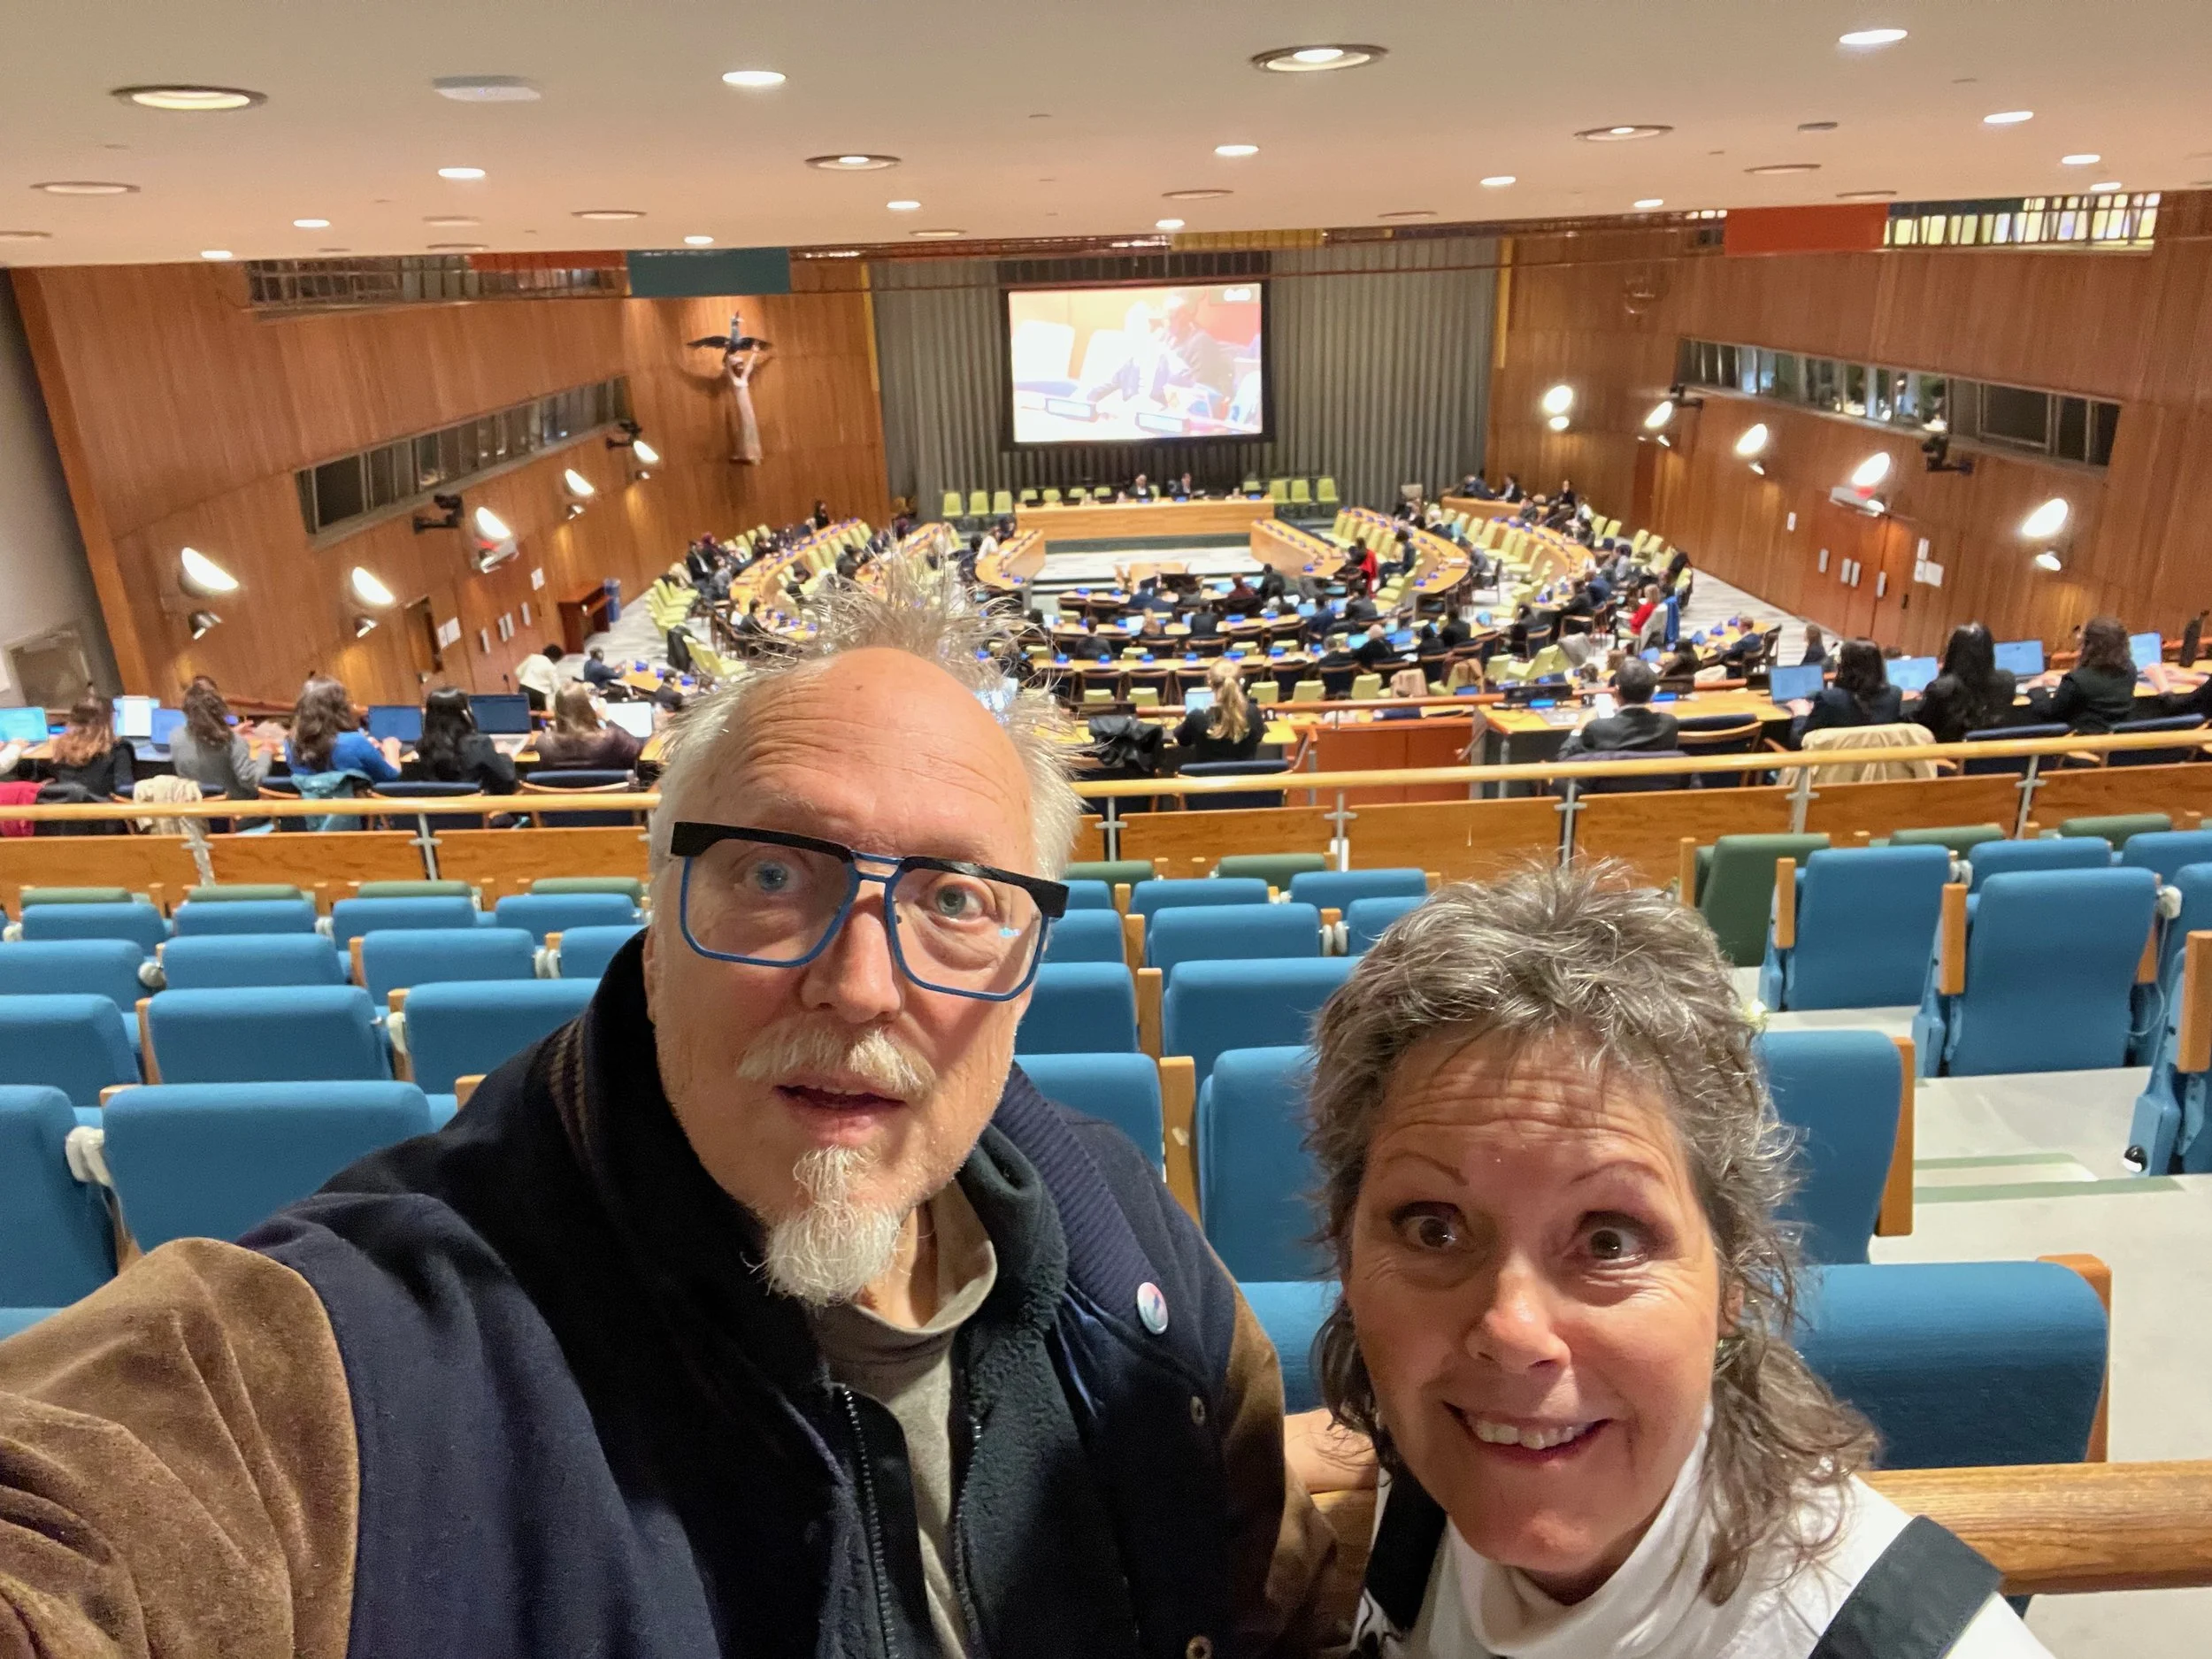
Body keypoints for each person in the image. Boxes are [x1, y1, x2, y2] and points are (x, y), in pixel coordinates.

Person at [0, 557, 1335, 1655]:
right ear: (658, 913)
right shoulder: (325, 1364)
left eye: (956, 897)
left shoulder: (1132, 1251)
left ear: (1026, 969)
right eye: (771, 875)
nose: (861, 982)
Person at [1304, 866, 2048, 1657]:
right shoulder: (1437, 1447)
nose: (1511, 1332)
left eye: (1608, 1240)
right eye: (1434, 1230)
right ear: (1347, 1257)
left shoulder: (1897, 1641)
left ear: (1733, 1277)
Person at [1909, 623, 2020, 745]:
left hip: (1947, 755)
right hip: (1991, 753)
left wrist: (1905, 701)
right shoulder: (2007, 680)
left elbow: (1919, 726)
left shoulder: (1942, 687)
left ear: (1953, 651)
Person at [167, 675, 271, 801]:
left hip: (195, 806)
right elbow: (250, 780)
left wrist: (230, 732)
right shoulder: (234, 741)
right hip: (235, 808)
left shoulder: (175, 736)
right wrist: (266, 751)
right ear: (220, 709)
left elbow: (202, 737)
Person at [2032, 615, 2139, 733]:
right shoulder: (2130, 669)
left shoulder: (2077, 680)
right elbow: (2099, 688)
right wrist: (2063, 684)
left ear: (2089, 645)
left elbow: (2051, 712)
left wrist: (2036, 689)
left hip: (2082, 742)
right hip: (2118, 743)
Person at [287, 674, 401, 784]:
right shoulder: (355, 742)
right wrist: (391, 749)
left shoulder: (290, 743)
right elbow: (390, 776)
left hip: (312, 803)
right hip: (357, 803)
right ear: (340, 708)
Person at [402, 686, 518, 793]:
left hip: (439, 813)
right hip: (479, 811)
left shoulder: (422, 746)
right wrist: (503, 755)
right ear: (464, 713)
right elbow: (507, 784)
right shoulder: (480, 744)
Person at [1789, 638, 1902, 745]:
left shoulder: (1830, 699)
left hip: (1832, 763)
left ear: (1845, 666)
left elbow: (1801, 742)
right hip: (1876, 763)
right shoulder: (1895, 695)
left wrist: (1801, 714)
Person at [1559, 658, 1679, 759]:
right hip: (1656, 787)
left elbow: (1564, 760)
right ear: (1653, 695)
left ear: (1616, 692)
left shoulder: (1597, 729)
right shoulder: (1668, 724)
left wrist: (1579, 729)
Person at [534, 683, 644, 772]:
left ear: (557, 711)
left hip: (561, 800)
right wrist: (607, 720)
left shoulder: (544, 743)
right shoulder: (612, 738)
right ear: (587, 707)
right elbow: (638, 748)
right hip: (609, 798)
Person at [1173, 660, 1263, 763]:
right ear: (1241, 682)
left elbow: (1182, 741)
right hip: (1245, 778)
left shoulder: (1197, 716)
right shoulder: (1253, 712)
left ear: (1210, 683)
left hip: (1206, 778)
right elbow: (1258, 737)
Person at [45, 694, 133, 798]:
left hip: (67, 809)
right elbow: (124, 790)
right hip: (102, 810)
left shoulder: (61, 746)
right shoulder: (118, 748)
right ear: (111, 719)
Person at [516, 643, 567, 711]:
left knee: (524, 714)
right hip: (538, 695)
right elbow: (557, 688)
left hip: (523, 689)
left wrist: (526, 680)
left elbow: (518, 671)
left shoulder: (532, 657)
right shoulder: (551, 667)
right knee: (541, 717)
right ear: (555, 658)